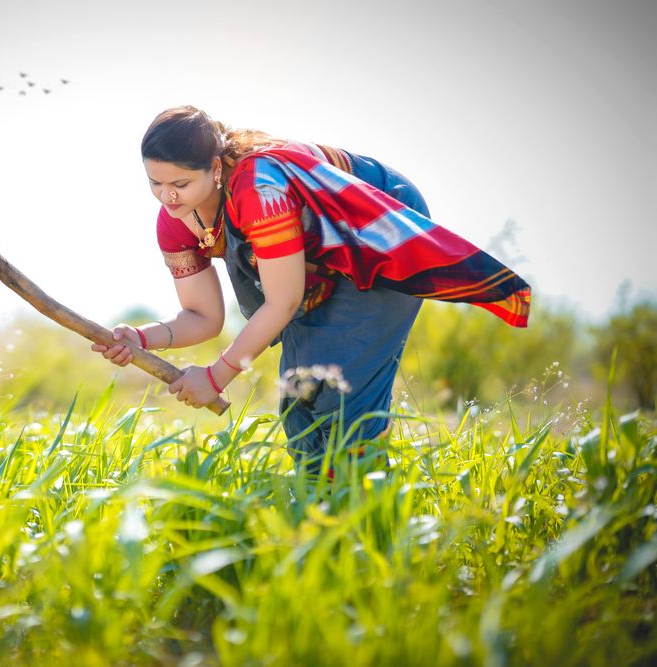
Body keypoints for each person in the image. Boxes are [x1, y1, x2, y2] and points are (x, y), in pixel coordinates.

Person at [91, 105, 531, 479]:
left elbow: (282, 301)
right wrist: (141, 337)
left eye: (180, 184)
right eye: (154, 183)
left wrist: (215, 376)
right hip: (309, 264)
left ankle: (365, 520)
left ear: (217, 168)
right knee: (300, 398)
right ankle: (318, 514)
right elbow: (204, 317)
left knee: (342, 392)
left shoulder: (259, 189)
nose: (166, 196)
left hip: (371, 234)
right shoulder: (175, 220)